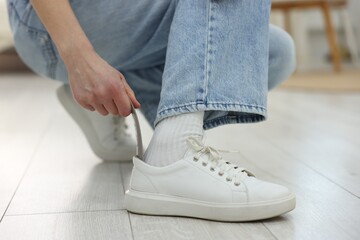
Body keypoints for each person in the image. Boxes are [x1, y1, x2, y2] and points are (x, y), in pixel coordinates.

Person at [7, 0, 296, 221]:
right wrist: (79, 59)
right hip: (49, 25)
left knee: (275, 52)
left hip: (122, 23)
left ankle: (107, 98)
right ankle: (171, 158)